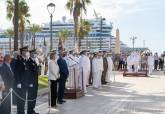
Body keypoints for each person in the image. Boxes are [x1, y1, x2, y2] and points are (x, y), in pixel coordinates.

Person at [14, 46, 39, 114]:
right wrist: (18, 82)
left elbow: (28, 73)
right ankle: (20, 112)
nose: (26, 52)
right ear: (22, 52)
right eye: (24, 51)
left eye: (26, 51)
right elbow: (16, 72)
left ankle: (24, 111)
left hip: (25, 83)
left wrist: (29, 82)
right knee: (20, 99)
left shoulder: (24, 60)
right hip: (21, 84)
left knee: (24, 99)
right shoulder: (19, 61)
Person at [27, 49, 40, 114]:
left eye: (35, 53)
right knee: (31, 96)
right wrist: (30, 83)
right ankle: (29, 111)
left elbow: (36, 72)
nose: (34, 54)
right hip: (31, 83)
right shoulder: (28, 61)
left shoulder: (34, 61)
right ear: (30, 53)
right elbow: (29, 73)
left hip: (35, 82)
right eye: (33, 53)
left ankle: (32, 109)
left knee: (34, 96)